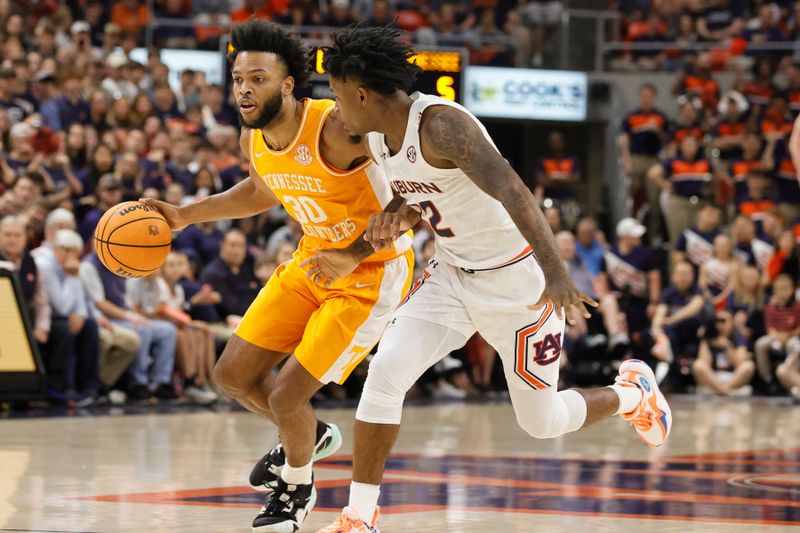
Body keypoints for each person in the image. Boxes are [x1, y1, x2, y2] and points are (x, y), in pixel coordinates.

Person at [309, 27, 672, 532]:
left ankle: (632, 394)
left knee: (540, 422)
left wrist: (556, 272)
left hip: (519, 284)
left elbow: (512, 188)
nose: (335, 106)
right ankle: (360, 516)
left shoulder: (442, 125)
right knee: (385, 374)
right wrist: (397, 215)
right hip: (452, 274)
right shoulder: (375, 135)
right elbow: (424, 191)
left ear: (363, 93)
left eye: (337, 94)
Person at [141, 20, 415, 532]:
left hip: (370, 273)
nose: (245, 88)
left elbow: (418, 181)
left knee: (289, 395)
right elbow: (260, 191)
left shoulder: (337, 126)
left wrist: (357, 250)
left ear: (288, 84)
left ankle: (296, 486)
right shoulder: (254, 139)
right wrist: (183, 215)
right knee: (230, 376)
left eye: (259, 79)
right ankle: (306, 437)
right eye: (239, 78)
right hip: (312, 261)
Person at [34, 229, 103, 405]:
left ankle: (88, 387)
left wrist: (80, 315)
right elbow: (60, 306)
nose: (69, 255)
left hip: (64, 317)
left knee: (90, 326)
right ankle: (61, 386)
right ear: (55, 248)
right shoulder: (45, 265)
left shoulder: (72, 267)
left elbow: (80, 304)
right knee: (66, 329)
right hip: (46, 318)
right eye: (65, 249)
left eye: (74, 251)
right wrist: (72, 277)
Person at [692, 310, 755, 396]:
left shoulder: (738, 337)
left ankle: (722, 390)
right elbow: (704, 363)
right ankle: (723, 391)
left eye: (723, 321)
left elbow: (739, 364)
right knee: (698, 365)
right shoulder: (709, 337)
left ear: (731, 323)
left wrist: (727, 346)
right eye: (717, 321)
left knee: (748, 365)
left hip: (732, 378)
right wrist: (705, 340)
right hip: (712, 378)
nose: (720, 325)